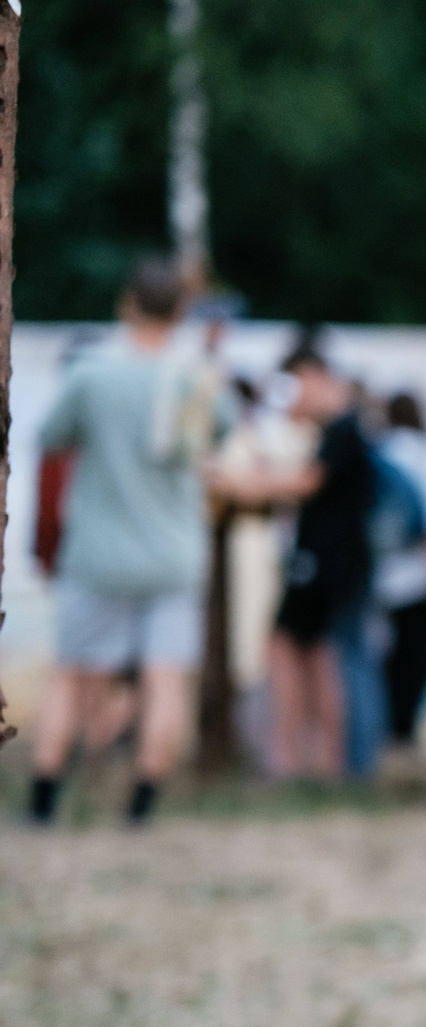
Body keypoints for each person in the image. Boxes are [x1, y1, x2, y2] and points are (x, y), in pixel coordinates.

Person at [24, 256, 231, 826]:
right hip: (174, 554)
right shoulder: (196, 377)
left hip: (100, 552)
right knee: (165, 679)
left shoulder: (92, 372)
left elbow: (51, 436)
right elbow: (222, 432)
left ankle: (44, 798)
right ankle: (142, 804)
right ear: (181, 312)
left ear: (127, 304)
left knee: (72, 674)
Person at [230, 342, 374, 782]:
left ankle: (306, 761)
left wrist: (243, 483)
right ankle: (315, 763)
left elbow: (306, 482)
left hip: (324, 566)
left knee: (308, 656)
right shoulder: (339, 430)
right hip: (324, 564)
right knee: (312, 656)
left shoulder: (343, 430)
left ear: (313, 378)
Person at [370, 392, 426, 757]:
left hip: (379, 569)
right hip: (413, 571)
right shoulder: (421, 452)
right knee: (418, 653)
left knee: (385, 652)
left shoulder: (380, 449)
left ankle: (384, 725)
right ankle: (404, 728)